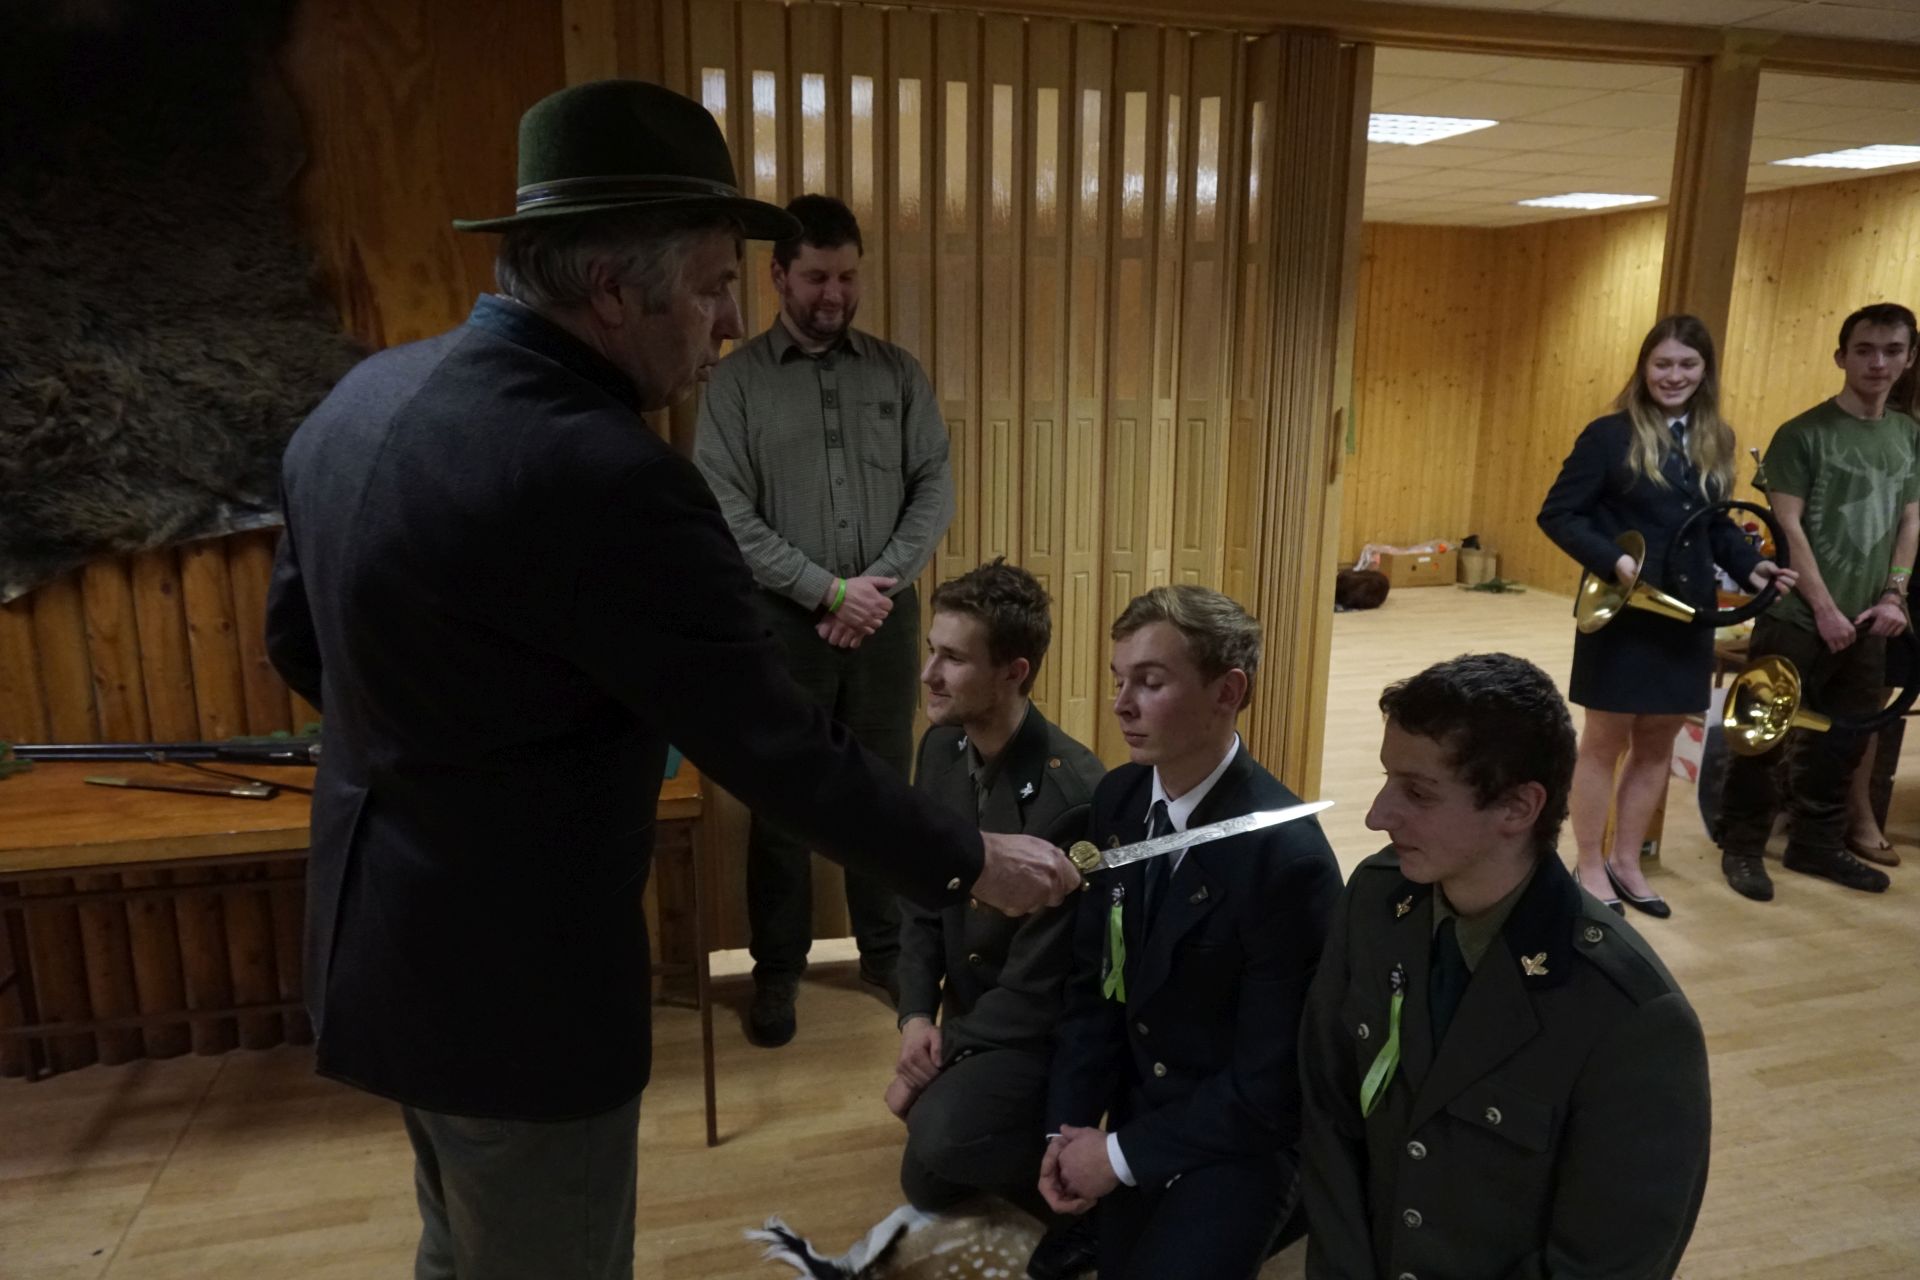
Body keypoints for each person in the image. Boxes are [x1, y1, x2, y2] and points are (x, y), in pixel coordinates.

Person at [264, 80, 1076, 1280]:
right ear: (611, 288)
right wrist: (970, 857)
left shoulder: (360, 398)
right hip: (519, 992)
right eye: (710, 285)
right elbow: (778, 750)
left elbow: (300, 645)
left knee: (461, 1242)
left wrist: (462, 739)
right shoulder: (610, 477)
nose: (731, 320)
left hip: (376, 944)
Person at [1299, 653, 1711, 1280]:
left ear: (1518, 807)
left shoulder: (1631, 1016)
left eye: (1417, 792)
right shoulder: (1376, 902)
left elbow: (1606, 1262)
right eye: (1388, 780)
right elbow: (1328, 1111)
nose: (1377, 815)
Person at [695, 193, 955, 1045]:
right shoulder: (736, 384)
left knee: (882, 791)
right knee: (781, 800)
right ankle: (777, 972)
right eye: (816, 277)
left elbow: (933, 487)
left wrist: (872, 589)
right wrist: (826, 593)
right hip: (781, 625)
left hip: (884, 621)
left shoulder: (897, 374)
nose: (834, 294)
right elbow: (727, 512)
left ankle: (887, 953)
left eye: (847, 276)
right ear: (777, 276)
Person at [1038, 586, 1341, 1279]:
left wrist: (1117, 1157)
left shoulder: (1286, 857)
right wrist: (1067, 1132)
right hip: (1147, 1105)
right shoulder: (1119, 798)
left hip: (1245, 1133)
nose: (1121, 705)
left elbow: (1271, 1088)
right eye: (1118, 679)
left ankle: (1297, 1208)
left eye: (1149, 682)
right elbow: (1094, 986)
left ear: (1227, 692)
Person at [884, 559, 1107, 1279]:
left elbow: (1041, 989)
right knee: (927, 1181)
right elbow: (921, 898)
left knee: (942, 1135)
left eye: (953, 658)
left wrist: (941, 1053)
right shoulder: (940, 748)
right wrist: (915, 1019)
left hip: (1036, 1034)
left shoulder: (1076, 795)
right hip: (975, 1015)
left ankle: (1097, 1211)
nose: (929, 674)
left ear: (1014, 672)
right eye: (931, 650)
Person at [1539, 314, 1793, 919]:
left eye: (1687, 364)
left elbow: (1715, 526)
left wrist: (1753, 566)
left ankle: (1627, 862)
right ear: (1644, 368)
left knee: (1657, 744)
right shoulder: (1609, 435)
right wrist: (1613, 560)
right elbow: (1559, 514)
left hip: (1688, 618)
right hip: (1624, 612)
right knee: (1604, 743)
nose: (1674, 376)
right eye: (1663, 363)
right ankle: (1589, 864)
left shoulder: (1716, 439)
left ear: (1705, 371)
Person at [1718, 302, 1920, 901]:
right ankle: (1742, 846)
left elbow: (1911, 521)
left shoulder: (1908, 435)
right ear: (1841, 357)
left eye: (1892, 350)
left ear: (1909, 359)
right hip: (1796, 617)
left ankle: (1815, 844)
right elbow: (1788, 527)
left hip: (1870, 619)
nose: (1878, 363)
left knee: (1843, 740)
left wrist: (1895, 595)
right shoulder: (1802, 434)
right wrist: (1825, 609)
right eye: (1864, 350)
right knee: (1761, 735)